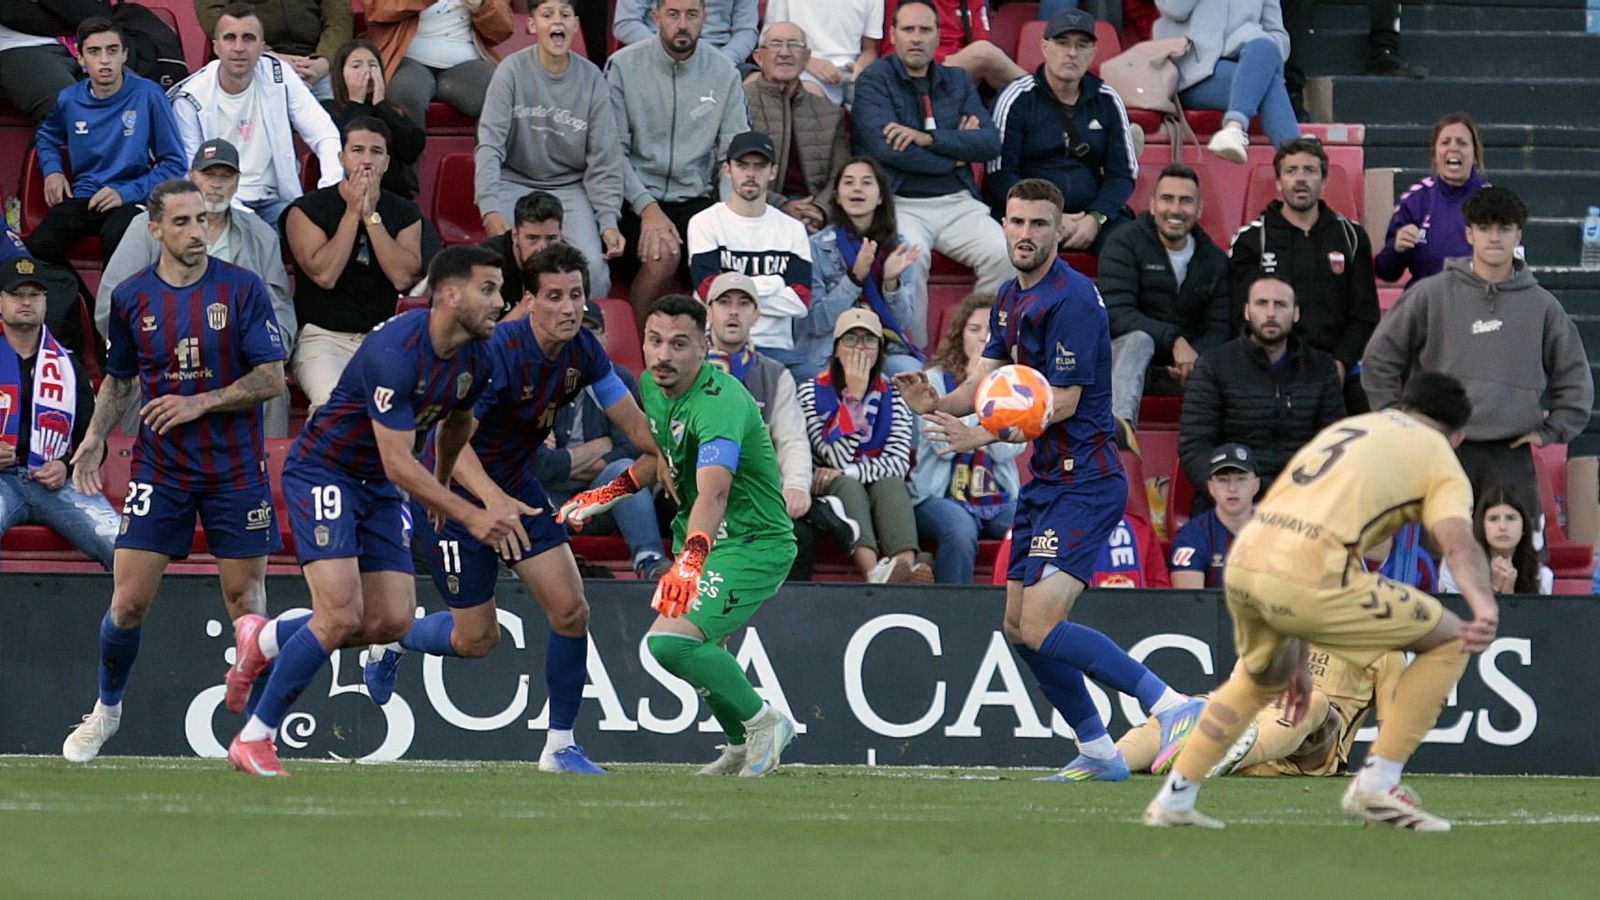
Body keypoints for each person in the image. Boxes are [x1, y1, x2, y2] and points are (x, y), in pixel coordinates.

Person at [895, 178, 1203, 782]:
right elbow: (982, 385)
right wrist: (937, 401)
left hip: (1087, 481)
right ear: (1003, 225)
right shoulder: (1009, 297)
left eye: (1040, 224)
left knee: (1040, 624)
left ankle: (1171, 704)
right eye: (1016, 222)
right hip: (1046, 482)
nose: (1026, 234)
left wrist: (980, 436)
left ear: (1059, 229)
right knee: (1017, 627)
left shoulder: (1075, 301)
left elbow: (1060, 403)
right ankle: (1097, 748)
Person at [1145, 373, 1502, 831]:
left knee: (1259, 681)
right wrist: (1485, 605)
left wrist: (1293, 639)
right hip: (1313, 570)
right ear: (1458, 436)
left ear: (1402, 406)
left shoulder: (1348, 431)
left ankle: (1175, 799)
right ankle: (1379, 782)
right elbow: (1456, 539)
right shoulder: (1439, 456)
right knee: (1452, 637)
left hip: (1249, 559)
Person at [357, 243, 661, 774]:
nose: (569, 308)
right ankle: (397, 639)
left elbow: (631, 421)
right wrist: (488, 503)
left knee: (571, 611)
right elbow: (456, 441)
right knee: (477, 639)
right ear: (529, 302)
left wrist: (668, 456)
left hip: (517, 488)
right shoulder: (496, 353)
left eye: (576, 296)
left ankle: (560, 746)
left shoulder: (584, 351)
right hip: (453, 491)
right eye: (555, 297)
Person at [222, 245, 520, 777]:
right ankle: (255, 739)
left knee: (391, 621)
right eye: (489, 289)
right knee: (338, 616)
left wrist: (446, 479)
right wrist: (468, 514)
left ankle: (263, 637)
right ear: (449, 294)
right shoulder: (394, 351)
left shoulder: (480, 354)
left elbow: (456, 423)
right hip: (326, 471)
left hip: (378, 486)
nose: (500, 302)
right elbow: (399, 462)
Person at [59, 179, 289, 764]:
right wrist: (91, 439)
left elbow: (272, 378)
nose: (197, 232)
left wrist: (200, 402)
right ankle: (106, 711)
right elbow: (122, 378)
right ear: (154, 230)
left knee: (245, 601)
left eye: (204, 220)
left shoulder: (241, 289)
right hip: (161, 469)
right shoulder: (134, 297)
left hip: (235, 468)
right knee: (129, 602)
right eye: (183, 222)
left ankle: (256, 737)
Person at [558, 293, 800, 777]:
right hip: (713, 540)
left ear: (704, 346)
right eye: (654, 341)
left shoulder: (721, 403)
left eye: (679, 344)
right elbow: (659, 460)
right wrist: (603, 495)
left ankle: (765, 722)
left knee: (671, 644)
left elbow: (713, 492)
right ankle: (737, 745)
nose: (663, 355)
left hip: (753, 543)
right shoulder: (651, 386)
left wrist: (688, 564)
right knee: (707, 649)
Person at [1363, 187, 1593, 523]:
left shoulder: (1542, 305)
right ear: (1469, 233)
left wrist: (1552, 429)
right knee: (1443, 561)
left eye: (1504, 228)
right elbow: (1379, 358)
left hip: (1510, 454)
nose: (1494, 237)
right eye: (1485, 228)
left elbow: (1574, 375)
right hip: (1441, 450)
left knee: (1519, 565)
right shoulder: (1431, 294)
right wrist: (1399, 418)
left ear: (1518, 234)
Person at [98, 139, 297, 438]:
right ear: (192, 176)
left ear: (237, 183)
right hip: (163, 354)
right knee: (140, 382)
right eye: (209, 175)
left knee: (272, 387)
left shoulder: (261, 235)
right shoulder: (147, 227)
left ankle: (265, 473)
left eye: (225, 176)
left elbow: (279, 308)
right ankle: (139, 472)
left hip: (234, 358)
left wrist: (261, 356)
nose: (216, 184)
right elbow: (111, 303)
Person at [853, 0, 1011, 345]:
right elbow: (885, 151)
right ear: (892, 35)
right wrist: (956, 151)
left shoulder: (957, 80)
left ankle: (973, 351)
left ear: (939, 36)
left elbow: (988, 142)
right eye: (908, 29)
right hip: (901, 202)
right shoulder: (873, 81)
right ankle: (917, 358)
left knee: (1004, 252)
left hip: (957, 202)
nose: (916, 38)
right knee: (911, 260)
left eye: (925, 30)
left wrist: (927, 139)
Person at [606, 0, 749, 330]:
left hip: (695, 199)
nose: (682, 24)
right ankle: (643, 352)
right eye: (673, 14)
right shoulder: (623, 67)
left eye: (691, 15)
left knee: (735, 254)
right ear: (656, 17)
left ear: (704, 18)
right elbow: (613, 153)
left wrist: (732, 219)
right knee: (662, 255)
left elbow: (734, 154)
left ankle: (713, 357)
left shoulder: (723, 72)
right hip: (633, 198)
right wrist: (648, 208)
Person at [476, 0, 625, 301]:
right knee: (505, 265)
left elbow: (604, 159)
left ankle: (584, 339)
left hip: (569, 186)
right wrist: (489, 207)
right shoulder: (510, 71)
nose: (557, 21)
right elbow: (490, 145)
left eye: (565, 15)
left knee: (593, 270)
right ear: (532, 25)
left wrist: (608, 221)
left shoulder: (593, 79)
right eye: (547, 14)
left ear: (575, 25)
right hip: (513, 181)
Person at [284, 117, 425, 413]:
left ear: (387, 162)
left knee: (396, 408)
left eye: (376, 152)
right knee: (331, 407)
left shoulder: (404, 211)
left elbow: (402, 277)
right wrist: (352, 212)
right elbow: (324, 274)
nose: (366, 160)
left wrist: (370, 216)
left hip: (384, 338)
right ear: (342, 157)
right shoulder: (307, 209)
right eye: (358, 150)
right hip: (323, 337)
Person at [1230, 137, 1377, 412]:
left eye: (1309, 171)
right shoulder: (1251, 240)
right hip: (1274, 365)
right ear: (1277, 182)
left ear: (1323, 182)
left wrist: (1341, 362)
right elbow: (1241, 314)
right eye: (1291, 171)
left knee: (1373, 430)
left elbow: (1365, 314)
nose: (1300, 179)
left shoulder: (1351, 237)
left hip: (1338, 368)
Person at [28, 17, 186, 269]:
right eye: (94, 51)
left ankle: (113, 308)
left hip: (133, 198)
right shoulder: (69, 99)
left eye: (112, 50)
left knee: (118, 237)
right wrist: (53, 171)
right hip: (86, 198)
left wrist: (125, 193)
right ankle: (84, 305)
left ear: (124, 54)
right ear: (80, 58)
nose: (104, 60)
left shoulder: (149, 95)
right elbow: (47, 135)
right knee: (37, 248)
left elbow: (175, 165)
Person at [169, 3, 344, 229]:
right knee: (253, 240)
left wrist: (329, 190)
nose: (239, 47)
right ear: (216, 47)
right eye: (230, 38)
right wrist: (244, 217)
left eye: (248, 38)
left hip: (278, 201)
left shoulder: (281, 77)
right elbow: (191, 175)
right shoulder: (189, 98)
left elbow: (324, 134)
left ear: (262, 46)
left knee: (318, 233)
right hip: (221, 206)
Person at [535, 298, 671, 581]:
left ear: (605, 338)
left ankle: (650, 560)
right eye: (577, 331)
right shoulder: (538, 380)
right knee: (522, 487)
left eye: (592, 331)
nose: (584, 340)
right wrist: (600, 446)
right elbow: (541, 465)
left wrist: (567, 461)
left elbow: (630, 451)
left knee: (623, 470)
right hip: (548, 499)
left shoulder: (618, 379)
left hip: (600, 500)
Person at [1124, 648, 1406, 780]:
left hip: (1314, 744)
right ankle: (1113, 759)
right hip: (1253, 719)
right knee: (1184, 710)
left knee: (1312, 700)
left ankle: (1220, 754)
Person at [0, 258, 119, 570]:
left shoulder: (68, 366)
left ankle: (124, 620)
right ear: (0, 301)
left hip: (56, 483)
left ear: (45, 302)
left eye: (34, 294)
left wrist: (65, 467)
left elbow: (95, 441)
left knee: (124, 551)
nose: (26, 301)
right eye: (16, 294)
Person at [986, 7, 1137, 252]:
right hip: (1028, 216)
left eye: (1082, 45)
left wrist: (1095, 218)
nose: (1071, 53)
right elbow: (1000, 174)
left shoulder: (1108, 99)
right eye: (1062, 43)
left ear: (1093, 53)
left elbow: (1122, 174)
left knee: (1129, 247)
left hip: (1090, 216)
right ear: (1044, 47)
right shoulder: (1016, 98)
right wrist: (1046, 217)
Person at [1180, 273, 1344, 497]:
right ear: (1247, 311)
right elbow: (1195, 447)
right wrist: (1229, 492)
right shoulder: (1213, 366)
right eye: (1261, 303)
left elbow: (1334, 443)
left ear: (1296, 314)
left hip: (1302, 499)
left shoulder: (1322, 368)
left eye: (1280, 305)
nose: (1270, 313)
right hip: (1234, 500)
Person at [798, 308, 925, 583]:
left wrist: (850, 471)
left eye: (868, 341)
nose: (859, 348)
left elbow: (898, 462)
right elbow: (834, 455)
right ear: (835, 349)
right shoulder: (810, 390)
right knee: (848, 486)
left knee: (891, 483)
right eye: (851, 339)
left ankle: (905, 568)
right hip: (824, 490)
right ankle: (874, 572)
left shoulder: (894, 392)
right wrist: (853, 398)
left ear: (880, 350)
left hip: (868, 480)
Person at [1100, 164, 1233, 424]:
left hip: (1189, 371)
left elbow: (1220, 327)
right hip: (1127, 364)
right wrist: (1174, 341)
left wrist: (1194, 359)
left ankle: (1226, 459)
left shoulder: (1214, 259)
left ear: (1199, 209)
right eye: (1167, 199)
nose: (1175, 210)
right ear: (1152, 205)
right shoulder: (1122, 244)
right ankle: (1119, 434)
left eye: (1185, 201)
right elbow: (1116, 314)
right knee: (1139, 340)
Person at [908, 292, 1019, 584]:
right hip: (938, 497)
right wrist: (976, 392)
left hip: (998, 495)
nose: (983, 338)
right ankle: (952, 614)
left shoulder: (1014, 384)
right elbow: (943, 444)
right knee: (960, 530)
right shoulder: (931, 382)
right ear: (960, 336)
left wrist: (981, 395)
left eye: (991, 331)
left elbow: (1011, 447)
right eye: (974, 329)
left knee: (1033, 526)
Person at [701, 272, 814, 549]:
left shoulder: (775, 375)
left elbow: (792, 440)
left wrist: (796, 486)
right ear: (709, 311)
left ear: (756, 315)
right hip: (697, 487)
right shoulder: (686, 369)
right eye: (724, 303)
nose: (733, 312)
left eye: (743, 304)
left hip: (756, 490)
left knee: (800, 538)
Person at [686, 131, 815, 374]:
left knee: (813, 385)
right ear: (728, 169)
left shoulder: (793, 229)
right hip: (716, 347)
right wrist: (774, 284)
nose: (750, 174)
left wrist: (734, 294)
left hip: (776, 349)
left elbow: (800, 301)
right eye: (742, 165)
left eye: (759, 166)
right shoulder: (704, 222)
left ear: (773, 172)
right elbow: (708, 293)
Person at [804, 157, 923, 379]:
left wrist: (890, 283)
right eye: (849, 182)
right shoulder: (817, 247)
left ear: (880, 197)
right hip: (831, 347)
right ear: (837, 197)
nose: (857, 188)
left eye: (867, 182)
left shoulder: (898, 249)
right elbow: (815, 322)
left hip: (884, 346)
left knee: (913, 376)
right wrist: (854, 278)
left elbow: (902, 322)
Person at [1153, 0, 1299, 164]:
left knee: (1265, 49)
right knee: (1269, 82)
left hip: (1247, 65)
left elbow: (1278, 36)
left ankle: (1235, 127)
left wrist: (1254, 49)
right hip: (1190, 73)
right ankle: (1297, 160)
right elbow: (1175, 9)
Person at [743, 22, 851, 233]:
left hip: (814, 212)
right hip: (754, 208)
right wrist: (779, 205)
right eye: (775, 44)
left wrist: (820, 209)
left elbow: (841, 173)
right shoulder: (738, 102)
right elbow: (724, 169)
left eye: (794, 45)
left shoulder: (829, 112)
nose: (785, 52)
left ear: (807, 57)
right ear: (758, 57)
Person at [1374, 113, 1489, 284]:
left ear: (1475, 155)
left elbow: (1512, 266)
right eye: (1445, 142)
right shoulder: (1415, 200)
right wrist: (1397, 248)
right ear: (1435, 155)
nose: (1453, 148)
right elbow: (1386, 271)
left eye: (1462, 143)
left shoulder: (1493, 202)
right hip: (1426, 305)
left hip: (1477, 304)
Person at [364, 0, 514, 130]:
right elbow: (376, 10)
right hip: (407, 58)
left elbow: (503, 31)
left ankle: (489, 162)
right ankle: (406, 163)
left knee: (500, 89)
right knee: (404, 93)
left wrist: (482, 6)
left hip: (465, 60)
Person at [321, 39, 427, 199]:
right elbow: (340, 147)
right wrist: (356, 102)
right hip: (345, 197)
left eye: (372, 65)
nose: (366, 72)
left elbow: (411, 150)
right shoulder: (328, 110)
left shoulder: (393, 111)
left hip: (392, 198)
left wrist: (381, 105)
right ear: (341, 73)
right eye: (356, 66)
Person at [195, 0, 355, 101]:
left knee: (337, 125)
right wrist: (268, 56)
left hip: (316, 65)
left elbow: (340, 18)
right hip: (256, 60)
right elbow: (213, 16)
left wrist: (324, 60)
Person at [1168, 442, 1258, 589]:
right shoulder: (1191, 536)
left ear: (1256, 485)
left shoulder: (1280, 532)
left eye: (1241, 479)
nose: (1232, 488)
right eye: (1223, 480)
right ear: (1211, 487)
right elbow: (1191, 603)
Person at [880, 1, 1025, 91]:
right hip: (913, 71)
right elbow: (890, 50)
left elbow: (981, 41)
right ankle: (1040, 94)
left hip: (959, 75)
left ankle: (1038, 96)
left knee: (984, 52)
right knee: (983, 53)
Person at [763, 0, 882, 106]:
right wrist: (808, 62)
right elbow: (769, 42)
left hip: (852, 75)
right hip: (805, 70)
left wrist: (861, 68)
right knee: (809, 101)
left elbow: (870, 49)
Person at [1438, 484, 1552, 596]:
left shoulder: (1541, 577)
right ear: (1482, 526)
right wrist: (1495, 588)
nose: (1502, 526)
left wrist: (1509, 595)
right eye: (1493, 519)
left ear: (1524, 527)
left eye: (1511, 518)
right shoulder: (1455, 567)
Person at [480, 190, 565, 318]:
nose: (542, 248)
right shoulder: (487, 264)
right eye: (532, 238)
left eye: (551, 239)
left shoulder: (568, 262)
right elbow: (483, 336)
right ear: (515, 236)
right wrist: (524, 309)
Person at [612, 0, 759, 66]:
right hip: (658, 52)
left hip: (721, 54)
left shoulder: (722, 60)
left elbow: (746, 30)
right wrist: (664, 50)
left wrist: (724, 60)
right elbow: (626, 23)